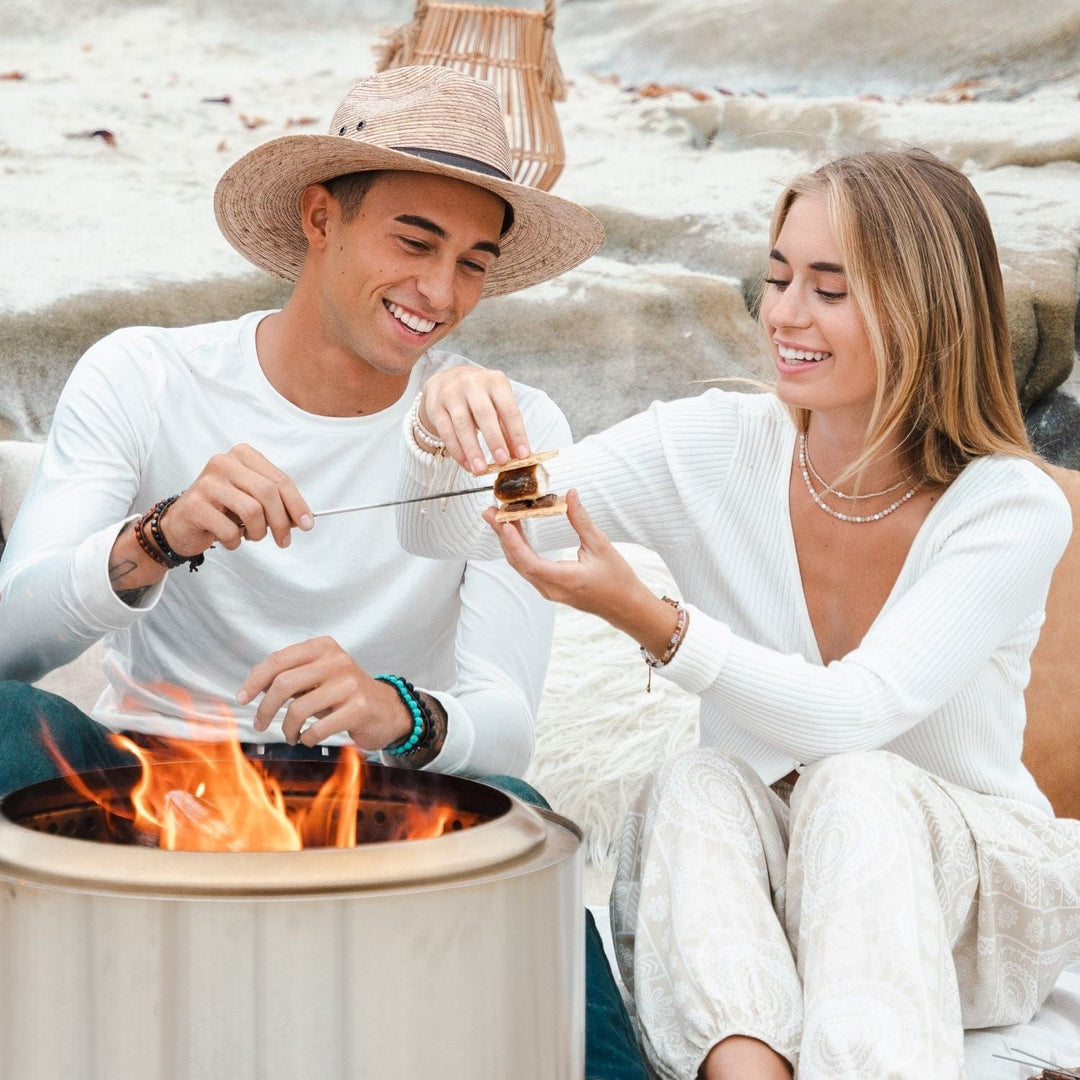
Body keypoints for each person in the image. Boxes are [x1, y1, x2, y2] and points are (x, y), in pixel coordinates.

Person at [0, 66, 649, 1079]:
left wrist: (398, 710)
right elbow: (11, 640)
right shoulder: (145, 374)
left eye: (473, 262)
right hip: (150, 790)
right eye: (413, 240)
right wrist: (155, 537)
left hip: (370, 807)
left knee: (519, 816)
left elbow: (505, 719)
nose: (441, 293)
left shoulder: (508, 429)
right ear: (319, 218)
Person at [395, 147, 1080, 1078]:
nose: (784, 315)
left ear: (925, 309)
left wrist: (654, 621)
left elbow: (854, 717)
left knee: (854, 782)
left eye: (830, 290)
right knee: (698, 783)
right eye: (777, 277)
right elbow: (457, 531)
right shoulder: (712, 446)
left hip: (973, 905)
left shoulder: (1006, 505)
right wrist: (444, 416)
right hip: (781, 894)